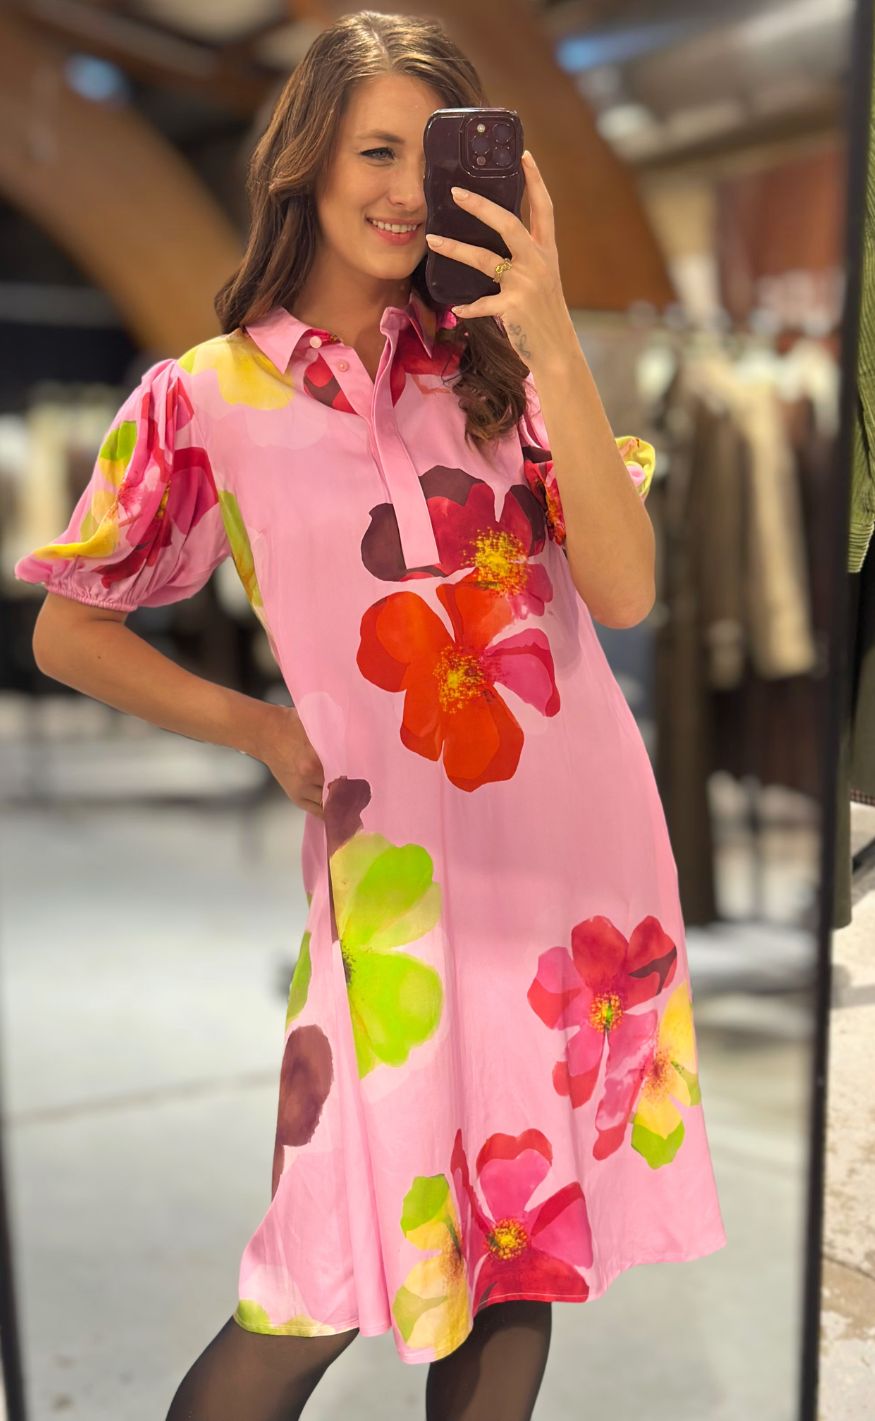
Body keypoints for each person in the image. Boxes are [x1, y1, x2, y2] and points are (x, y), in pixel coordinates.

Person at [13, 11, 728, 1420]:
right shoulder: (204, 399)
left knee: (516, 1261)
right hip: (389, 903)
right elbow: (69, 632)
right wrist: (263, 730)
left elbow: (627, 590)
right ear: (307, 164)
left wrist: (548, 324)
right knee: (307, 1288)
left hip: (573, 888)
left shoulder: (501, 377)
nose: (406, 190)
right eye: (376, 152)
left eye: (432, 157)